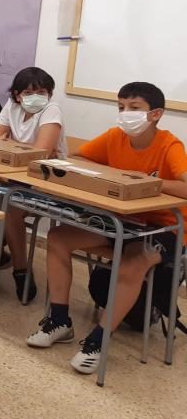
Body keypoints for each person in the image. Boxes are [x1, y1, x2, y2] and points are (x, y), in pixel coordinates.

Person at [26, 82, 187, 375]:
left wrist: (145, 182)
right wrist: (112, 174)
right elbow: (77, 158)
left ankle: (98, 341)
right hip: (122, 220)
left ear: (156, 114)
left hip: (162, 228)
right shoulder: (115, 136)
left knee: (134, 261)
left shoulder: (169, 145)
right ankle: (59, 321)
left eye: (134, 108)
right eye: (121, 107)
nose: (125, 114)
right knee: (58, 237)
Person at [0, 67, 67, 302]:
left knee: (9, 205)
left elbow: (40, 154)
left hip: (49, 180)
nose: (36, 97)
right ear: (17, 95)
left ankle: (21, 270)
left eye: (42, 92)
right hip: (15, 175)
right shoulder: (12, 106)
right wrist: (21, 150)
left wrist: (11, 145)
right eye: (28, 92)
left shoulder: (51, 109)